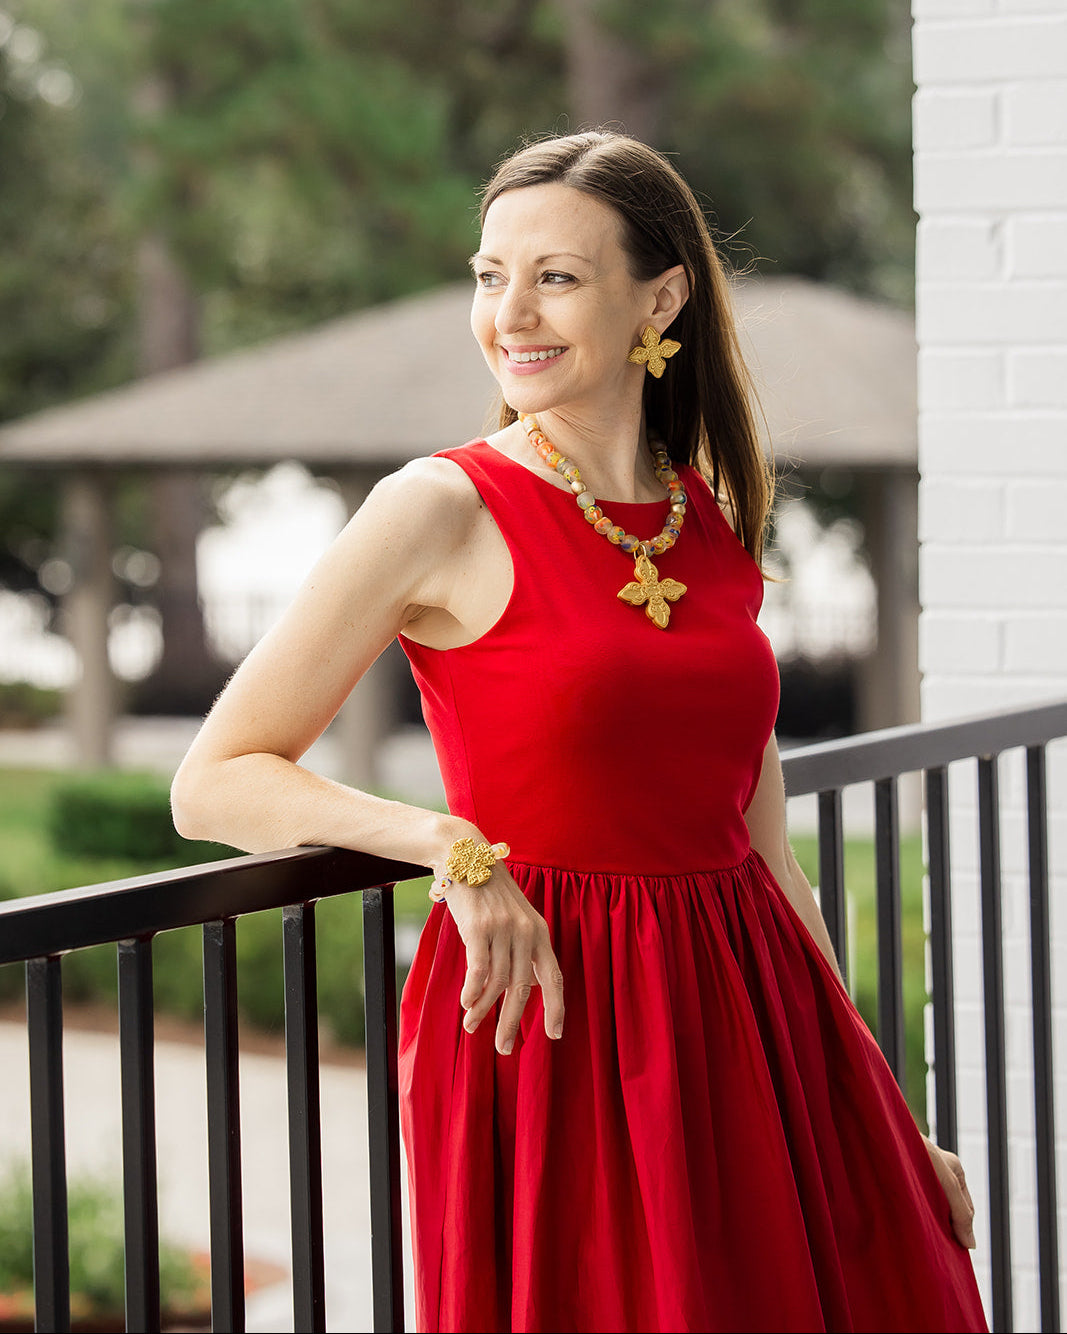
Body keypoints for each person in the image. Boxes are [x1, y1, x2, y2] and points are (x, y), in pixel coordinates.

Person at [172, 130, 988, 1333]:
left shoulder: (698, 510)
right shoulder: (437, 504)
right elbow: (214, 780)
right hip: (554, 1024)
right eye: (488, 274)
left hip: (750, 1008)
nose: (510, 313)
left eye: (554, 275)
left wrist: (881, 1103)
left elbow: (764, 849)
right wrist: (453, 847)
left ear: (659, 295)